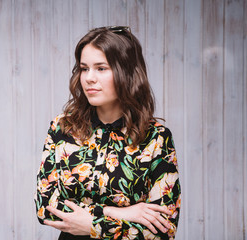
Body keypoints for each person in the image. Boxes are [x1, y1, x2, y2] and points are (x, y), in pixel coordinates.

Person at [34, 26, 181, 240]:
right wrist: (115, 213)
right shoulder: (63, 127)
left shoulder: (156, 137)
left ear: (126, 72)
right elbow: (45, 207)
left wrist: (92, 225)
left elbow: (164, 228)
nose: (89, 78)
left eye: (101, 68)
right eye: (84, 68)